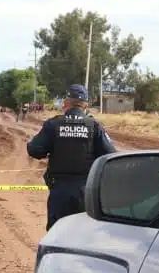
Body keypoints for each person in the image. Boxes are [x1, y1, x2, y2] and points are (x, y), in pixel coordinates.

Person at [26, 84, 117, 230]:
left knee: (57, 234)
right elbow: (110, 155)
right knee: (84, 234)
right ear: (85, 105)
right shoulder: (94, 125)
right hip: (86, 191)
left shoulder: (53, 124)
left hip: (60, 190)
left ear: (66, 103)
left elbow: (35, 150)